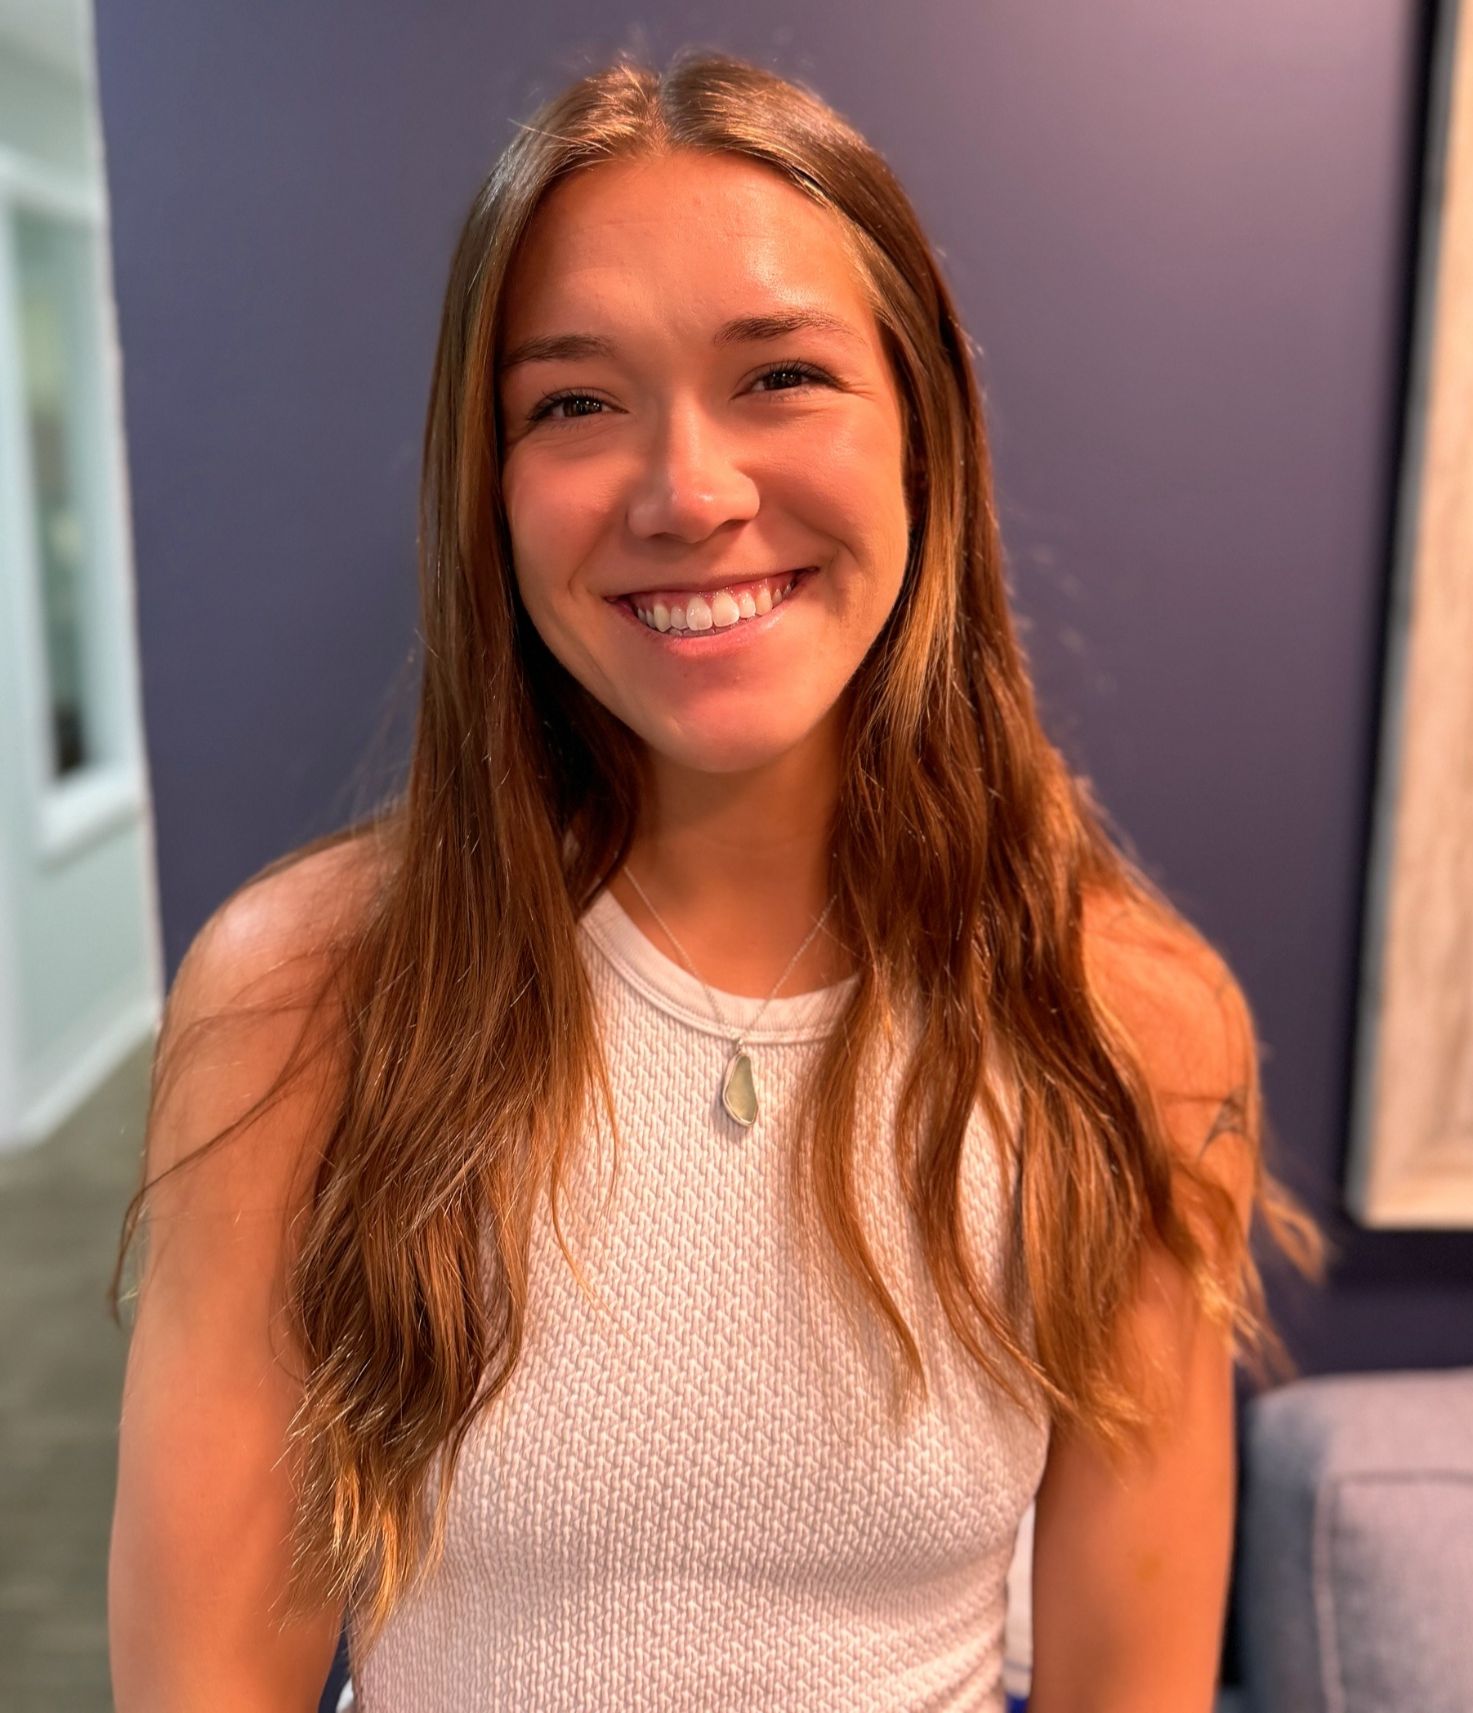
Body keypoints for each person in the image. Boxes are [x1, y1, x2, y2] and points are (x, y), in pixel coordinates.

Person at [106, 48, 1327, 1713]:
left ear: (923, 433)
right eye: (573, 403)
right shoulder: (301, 999)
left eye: (780, 377)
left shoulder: (1131, 1026)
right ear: (488, 486)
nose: (687, 492)